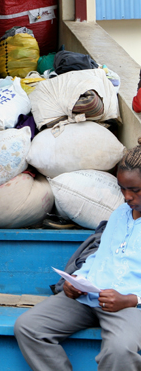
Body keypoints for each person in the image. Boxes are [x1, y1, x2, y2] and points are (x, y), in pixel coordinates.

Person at [14, 141, 141, 371]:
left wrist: (132, 299)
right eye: (122, 188)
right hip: (90, 296)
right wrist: (78, 281)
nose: (127, 197)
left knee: (120, 349)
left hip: (129, 306)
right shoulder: (119, 214)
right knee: (28, 326)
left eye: (135, 190)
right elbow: (99, 257)